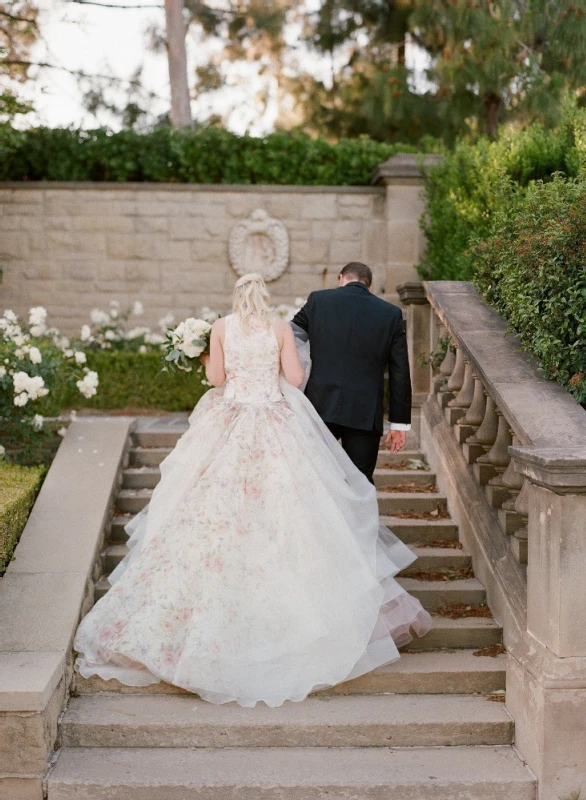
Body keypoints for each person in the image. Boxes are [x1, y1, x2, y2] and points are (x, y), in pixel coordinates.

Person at [74, 273, 431, 708]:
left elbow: (216, 379)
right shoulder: (281, 328)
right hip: (276, 422)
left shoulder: (222, 328)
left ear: (236, 298)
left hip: (230, 420)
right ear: (265, 299)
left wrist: (207, 356)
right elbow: (296, 379)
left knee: (207, 510)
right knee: (294, 510)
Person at [292, 262, 411, 484]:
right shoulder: (390, 314)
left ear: (341, 278)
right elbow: (400, 371)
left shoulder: (318, 300)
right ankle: (358, 519)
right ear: (370, 286)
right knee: (361, 482)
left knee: (314, 478)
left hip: (320, 405)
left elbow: (290, 336)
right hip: (364, 411)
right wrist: (399, 424)